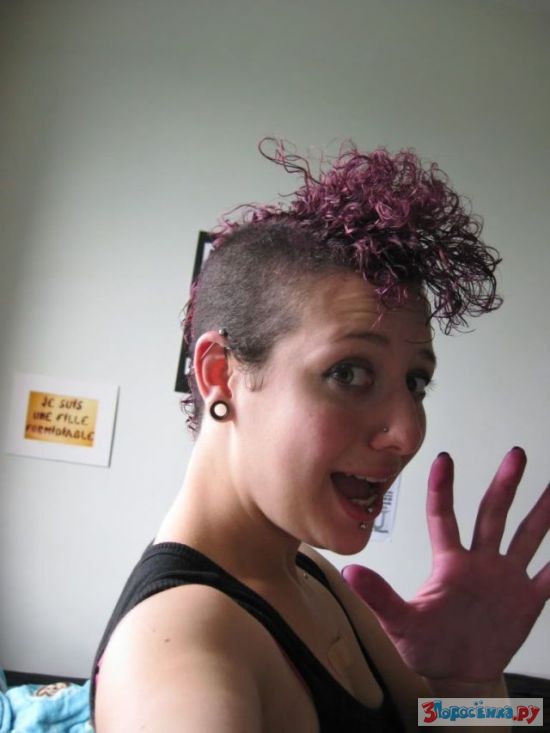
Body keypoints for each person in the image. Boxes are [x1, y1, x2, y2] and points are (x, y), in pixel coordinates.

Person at [91, 140, 549, 732]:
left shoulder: (305, 569)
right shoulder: (176, 653)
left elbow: (438, 720)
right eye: (349, 373)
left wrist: (474, 685)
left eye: (415, 382)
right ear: (219, 374)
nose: (408, 433)